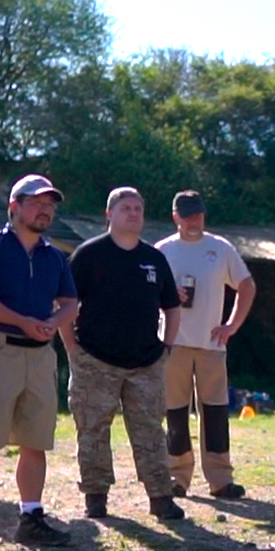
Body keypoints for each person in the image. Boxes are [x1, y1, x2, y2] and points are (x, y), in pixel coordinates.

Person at [0, 175, 78, 551]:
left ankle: (32, 517)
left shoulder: (54, 255)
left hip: (40, 355)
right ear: (14, 207)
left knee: (35, 440)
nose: (46, 210)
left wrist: (52, 324)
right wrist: (20, 320)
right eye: (37, 202)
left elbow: (71, 303)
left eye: (51, 204)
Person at [66, 187, 184, 520]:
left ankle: (161, 497)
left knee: (150, 432)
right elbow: (66, 305)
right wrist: (72, 348)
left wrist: (167, 347)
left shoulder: (154, 259)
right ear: (109, 215)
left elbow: (172, 307)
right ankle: (96, 496)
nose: (133, 213)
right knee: (92, 431)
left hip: (146, 362)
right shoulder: (89, 255)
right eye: (126, 208)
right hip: (95, 360)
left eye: (138, 209)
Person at [154, 189, 256, 500]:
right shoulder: (161, 251)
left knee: (214, 412)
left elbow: (247, 285)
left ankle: (220, 479)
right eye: (187, 215)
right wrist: (168, 296)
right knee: (174, 412)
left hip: (212, 344)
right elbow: (146, 293)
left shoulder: (220, 248)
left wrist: (232, 325)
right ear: (176, 218)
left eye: (198, 214)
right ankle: (177, 476)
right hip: (173, 343)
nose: (194, 220)